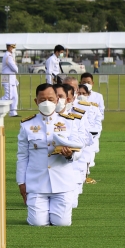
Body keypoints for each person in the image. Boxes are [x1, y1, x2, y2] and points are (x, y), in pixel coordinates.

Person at [16, 84, 81, 227]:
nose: (47, 103)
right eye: (42, 99)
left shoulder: (69, 122)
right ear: (36, 101)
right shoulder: (27, 125)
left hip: (62, 182)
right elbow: (22, 156)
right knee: (37, 223)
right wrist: (21, 183)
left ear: (57, 99)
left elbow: (78, 152)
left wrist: (70, 155)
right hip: (37, 183)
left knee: (62, 223)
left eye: (51, 99)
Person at [54, 83, 91, 208]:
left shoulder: (78, 116)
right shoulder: (45, 118)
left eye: (63, 97)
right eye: (56, 97)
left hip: (74, 165)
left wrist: (67, 146)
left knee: (71, 205)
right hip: (52, 168)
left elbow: (84, 140)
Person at [74, 83, 102, 183]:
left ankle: (84, 177)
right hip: (76, 138)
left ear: (88, 94)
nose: (81, 95)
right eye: (79, 93)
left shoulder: (93, 107)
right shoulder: (72, 107)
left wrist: (92, 136)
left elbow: (97, 124)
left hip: (89, 138)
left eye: (84, 93)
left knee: (87, 159)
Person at [0, 42, 19, 117]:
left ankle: (13, 112)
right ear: (10, 47)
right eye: (13, 47)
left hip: (11, 79)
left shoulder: (9, 56)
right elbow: (15, 68)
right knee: (8, 97)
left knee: (15, 96)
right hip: (7, 78)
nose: (14, 49)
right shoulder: (8, 56)